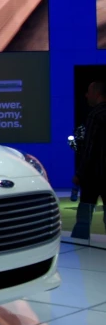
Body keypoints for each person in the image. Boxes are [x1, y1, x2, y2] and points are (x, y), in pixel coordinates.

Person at [71, 81, 106, 239]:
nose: (86, 95)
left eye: (89, 92)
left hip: (94, 175)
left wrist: (80, 173)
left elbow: (89, 148)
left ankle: (80, 247)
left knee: (84, 217)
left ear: (97, 94)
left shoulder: (95, 115)